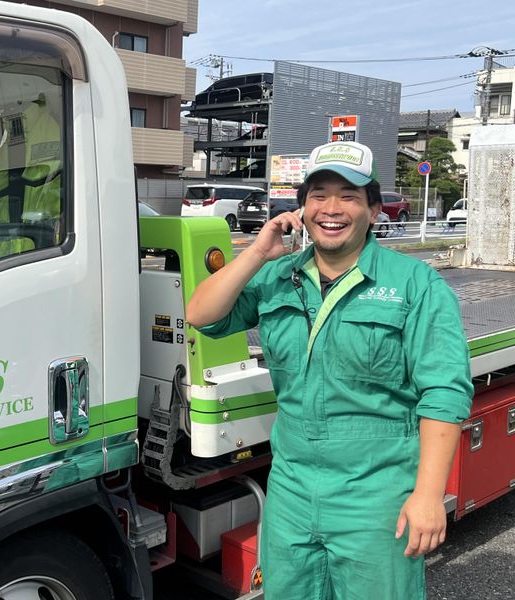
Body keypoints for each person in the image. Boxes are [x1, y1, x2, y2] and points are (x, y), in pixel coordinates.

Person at [186, 141, 472, 600]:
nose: (331, 209)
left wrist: (427, 494)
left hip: (376, 494)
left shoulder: (414, 283)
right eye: (318, 195)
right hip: (292, 491)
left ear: (373, 210)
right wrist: (257, 252)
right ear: (302, 208)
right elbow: (201, 314)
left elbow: (444, 392)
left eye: (348, 196)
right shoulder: (278, 277)